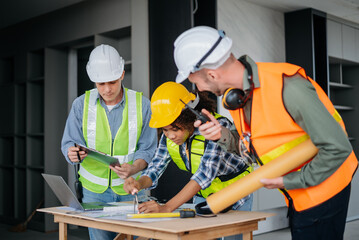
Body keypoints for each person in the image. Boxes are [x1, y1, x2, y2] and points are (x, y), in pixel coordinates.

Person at [172, 26, 358, 240]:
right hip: (299, 194)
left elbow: (338, 148)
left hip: (324, 193)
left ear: (212, 74)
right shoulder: (241, 97)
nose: (201, 91)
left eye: (197, 84)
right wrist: (220, 135)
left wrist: (289, 181)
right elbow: (252, 146)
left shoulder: (288, 88)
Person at [123, 81, 253, 240]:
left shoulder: (216, 127)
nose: (170, 135)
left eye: (175, 129)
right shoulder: (168, 136)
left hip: (235, 194)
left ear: (189, 117)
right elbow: (155, 167)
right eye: (165, 129)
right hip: (203, 195)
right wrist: (139, 183)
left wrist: (167, 208)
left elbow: (203, 175)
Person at [61, 44, 157, 240]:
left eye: (112, 82)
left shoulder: (142, 105)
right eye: (100, 83)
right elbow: (69, 143)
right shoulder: (81, 105)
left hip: (132, 187)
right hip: (94, 192)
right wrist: (71, 153)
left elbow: (148, 149)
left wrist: (133, 168)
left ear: (122, 74)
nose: (106, 89)